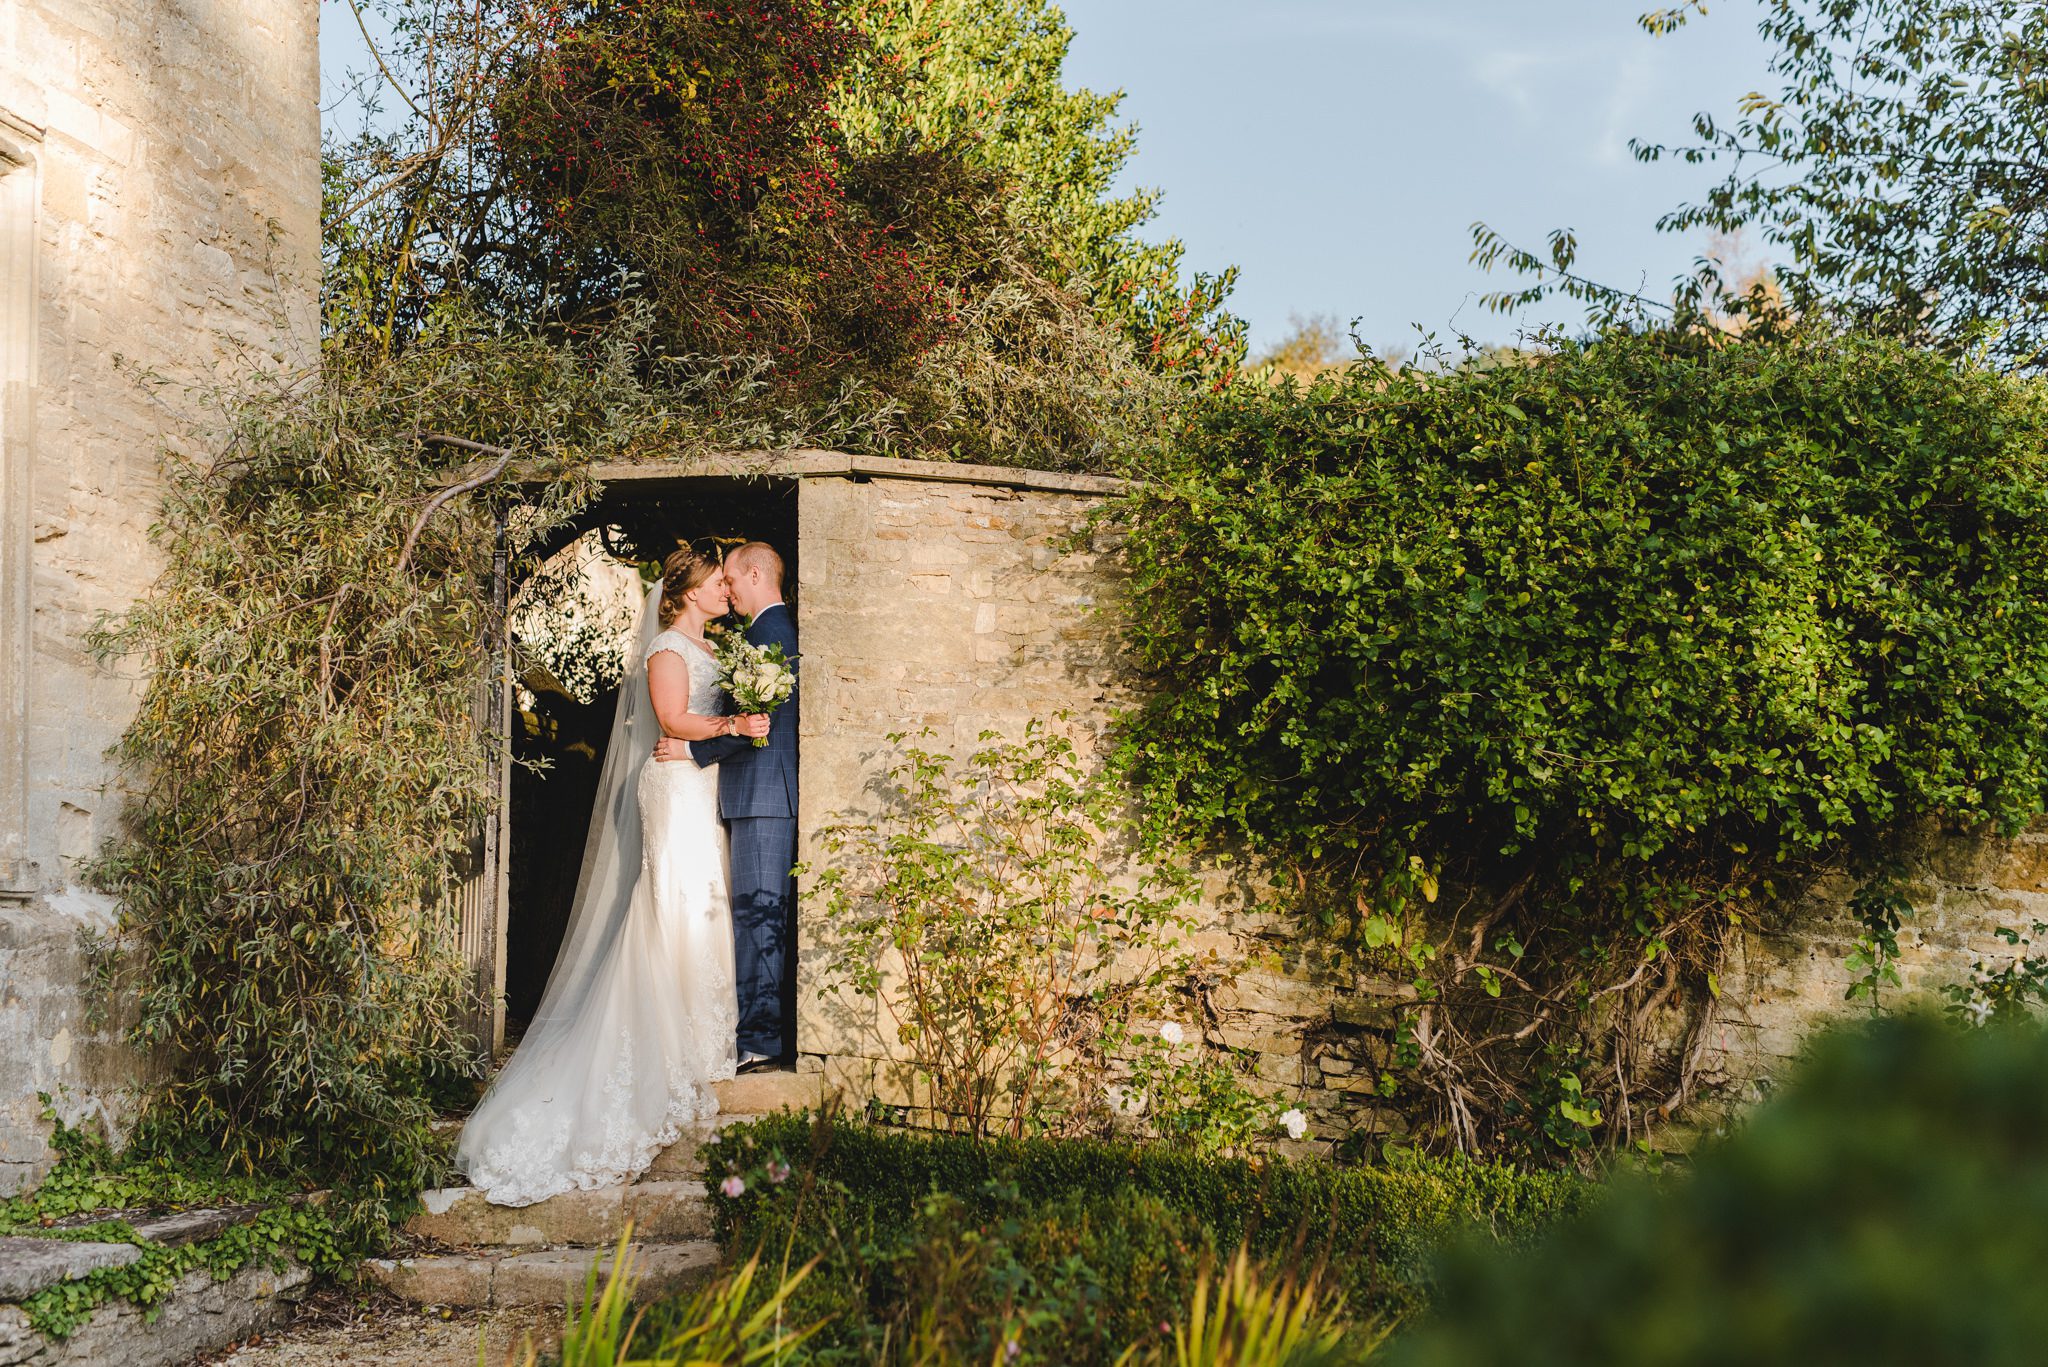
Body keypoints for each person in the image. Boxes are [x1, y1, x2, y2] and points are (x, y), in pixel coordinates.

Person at [456, 548, 768, 1206]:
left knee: (701, 905)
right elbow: (674, 720)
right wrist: (734, 724)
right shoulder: (665, 648)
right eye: (715, 581)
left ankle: (703, 1036)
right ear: (682, 590)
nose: (723, 589)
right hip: (674, 787)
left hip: (699, 784)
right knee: (672, 906)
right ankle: (666, 1044)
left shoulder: (711, 645)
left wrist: (727, 724)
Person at [657, 541, 798, 1070]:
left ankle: (760, 1040)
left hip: (763, 793)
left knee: (758, 916)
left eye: (732, 580)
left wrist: (691, 748)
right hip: (753, 794)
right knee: (749, 914)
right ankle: (757, 1032)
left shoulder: (769, 636)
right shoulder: (760, 635)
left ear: (755, 573)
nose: (729, 590)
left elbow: (756, 727)